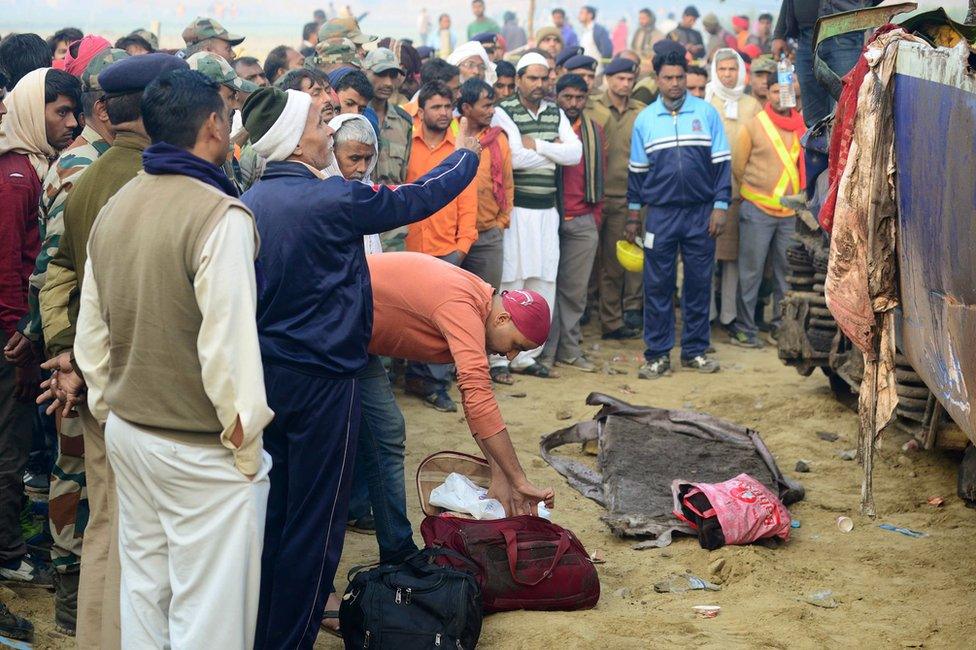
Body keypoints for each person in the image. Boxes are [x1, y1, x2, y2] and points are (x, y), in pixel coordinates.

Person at [238, 84, 480, 649]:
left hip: (266, 376)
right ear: (295, 139)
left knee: (273, 516)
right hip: (325, 383)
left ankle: (261, 631)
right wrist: (468, 153)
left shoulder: (248, 202)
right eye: (321, 125)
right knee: (317, 525)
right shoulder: (333, 198)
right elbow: (415, 199)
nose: (330, 133)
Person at [73, 68, 271, 649]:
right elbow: (227, 349)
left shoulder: (120, 201)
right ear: (213, 124)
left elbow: (92, 333)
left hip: (132, 434)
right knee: (209, 620)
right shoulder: (219, 216)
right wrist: (245, 448)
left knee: (145, 602)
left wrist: (112, 409)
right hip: (201, 449)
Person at [39, 53, 189, 649]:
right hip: (142, 383)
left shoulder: (92, 175)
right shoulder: (154, 181)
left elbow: (57, 273)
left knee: (107, 523)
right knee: (146, 537)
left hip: (95, 376)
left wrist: (66, 354)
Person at [29, 49, 126, 637]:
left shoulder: (93, 162)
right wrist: (63, 352)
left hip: (80, 347)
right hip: (76, 350)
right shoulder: (85, 168)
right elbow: (56, 270)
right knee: (75, 470)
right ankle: (71, 595)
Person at [0, 67, 79, 595]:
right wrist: (23, 352)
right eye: (60, 112)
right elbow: (12, 270)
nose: (70, 123)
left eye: (75, 112)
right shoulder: (16, 175)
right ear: (33, 112)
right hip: (11, 338)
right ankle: (8, 553)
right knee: (9, 445)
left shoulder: (35, 166)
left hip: (19, 336)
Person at [626, 43, 730, 379]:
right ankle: (657, 355)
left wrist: (720, 205)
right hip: (661, 215)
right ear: (656, 80)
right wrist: (632, 215)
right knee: (657, 286)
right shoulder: (645, 120)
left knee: (698, 285)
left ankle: (695, 352)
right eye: (668, 77)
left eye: (679, 77)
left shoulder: (706, 113)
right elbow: (637, 173)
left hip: (701, 213)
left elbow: (722, 165)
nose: (675, 83)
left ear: (686, 77)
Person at [489, 52, 581, 381]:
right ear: (519, 79)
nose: (539, 84)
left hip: (547, 211)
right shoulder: (503, 110)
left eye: (544, 79)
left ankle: (526, 357)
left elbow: (576, 153)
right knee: (511, 279)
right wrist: (554, 153)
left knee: (543, 280)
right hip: (517, 211)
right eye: (532, 78)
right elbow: (512, 157)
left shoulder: (555, 111)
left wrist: (539, 146)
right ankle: (499, 358)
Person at [403, 82, 479, 411]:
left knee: (441, 322)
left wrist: (462, 247)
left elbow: (468, 201)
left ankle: (435, 384)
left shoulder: (460, 148)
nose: (444, 113)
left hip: (446, 249)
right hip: (407, 248)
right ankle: (413, 379)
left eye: (448, 107)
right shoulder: (407, 144)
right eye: (436, 107)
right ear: (421, 112)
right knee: (408, 319)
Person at [732, 81, 805, 347]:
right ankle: (745, 328)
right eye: (776, 91)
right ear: (767, 93)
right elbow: (738, 167)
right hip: (757, 210)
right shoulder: (753, 126)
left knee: (785, 274)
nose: (781, 96)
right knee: (750, 272)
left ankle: (780, 326)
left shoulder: (802, 126)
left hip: (789, 214)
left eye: (787, 91)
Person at [541, 73, 603, 373]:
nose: (573, 103)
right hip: (547, 218)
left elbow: (599, 177)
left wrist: (594, 220)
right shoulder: (545, 128)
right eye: (567, 97)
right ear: (556, 97)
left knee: (575, 292)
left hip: (582, 221)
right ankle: (544, 352)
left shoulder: (594, 131)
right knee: (545, 286)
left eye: (580, 98)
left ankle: (570, 349)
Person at [588, 56, 645, 340]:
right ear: (608, 79)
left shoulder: (641, 112)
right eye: (619, 79)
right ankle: (583, 318)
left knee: (614, 263)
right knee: (585, 263)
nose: (624, 84)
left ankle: (611, 323)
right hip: (591, 197)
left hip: (625, 197)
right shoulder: (592, 108)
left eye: (629, 79)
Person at [706, 48, 761, 339]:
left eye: (732, 69)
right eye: (722, 70)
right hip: (708, 192)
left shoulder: (752, 105)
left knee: (732, 260)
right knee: (706, 257)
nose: (727, 75)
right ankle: (706, 314)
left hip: (740, 192)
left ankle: (728, 315)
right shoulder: (705, 100)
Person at [773, 0, 869, 127]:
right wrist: (780, 33)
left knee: (843, 112)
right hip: (807, 37)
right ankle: (817, 146)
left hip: (844, 30)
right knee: (814, 121)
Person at [458, 78, 513, 291]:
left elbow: (507, 186)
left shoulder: (498, 139)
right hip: (453, 238)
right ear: (466, 108)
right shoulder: (453, 135)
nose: (492, 111)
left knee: (488, 302)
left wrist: (500, 223)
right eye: (486, 105)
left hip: (487, 236)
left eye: (493, 105)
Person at [363, 48, 412, 185]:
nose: (388, 83)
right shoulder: (355, 116)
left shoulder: (404, 122)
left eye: (393, 76)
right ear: (365, 72)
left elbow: (404, 174)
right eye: (381, 74)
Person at [632, 8, 664, 77]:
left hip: (651, 72)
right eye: (640, 18)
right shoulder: (638, 32)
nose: (641, 21)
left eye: (643, 18)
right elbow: (633, 49)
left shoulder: (658, 34)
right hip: (636, 69)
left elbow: (660, 55)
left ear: (650, 19)